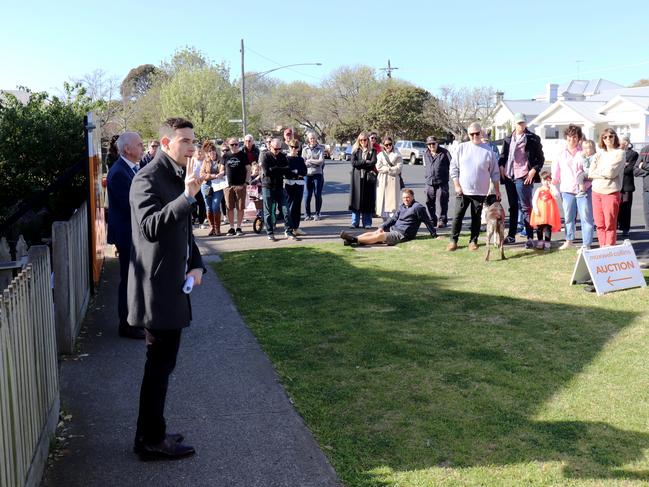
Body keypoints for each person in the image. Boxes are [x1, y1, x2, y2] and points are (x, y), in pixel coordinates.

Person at [129, 117, 205, 460]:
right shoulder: (147, 178)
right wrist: (187, 196)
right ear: (165, 143)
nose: (192, 147)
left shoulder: (176, 175)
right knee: (158, 367)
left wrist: (196, 263)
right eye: (185, 141)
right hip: (156, 290)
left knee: (163, 366)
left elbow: (184, 232)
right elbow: (150, 228)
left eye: (193, 141)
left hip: (175, 285)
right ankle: (149, 441)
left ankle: (153, 432)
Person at [106, 131, 145, 340]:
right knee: (129, 281)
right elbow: (132, 205)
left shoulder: (130, 168)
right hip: (127, 235)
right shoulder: (120, 172)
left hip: (131, 234)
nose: (142, 147)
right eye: (139, 145)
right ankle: (127, 325)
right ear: (127, 149)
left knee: (134, 280)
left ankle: (134, 321)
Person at [447, 122, 501, 251]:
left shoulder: (488, 150)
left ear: (481, 133)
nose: (475, 136)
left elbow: (494, 172)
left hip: (480, 191)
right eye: (472, 134)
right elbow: (453, 168)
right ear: (468, 134)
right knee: (458, 216)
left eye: (477, 133)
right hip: (463, 190)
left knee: (476, 217)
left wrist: (497, 190)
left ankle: (473, 241)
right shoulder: (461, 148)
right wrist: (457, 185)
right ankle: (453, 241)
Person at [498, 112, 545, 248]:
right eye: (519, 123)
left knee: (526, 208)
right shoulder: (508, 139)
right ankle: (511, 236)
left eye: (523, 123)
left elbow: (540, 159)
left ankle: (530, 237)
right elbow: (503, 156)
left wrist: (534, 170)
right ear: (515, 123)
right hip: (509, 176)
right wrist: (501, 165)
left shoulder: (532, 138)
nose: (521, 125)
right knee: (513, 207)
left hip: (524, 176)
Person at [340, 188, 436, 246]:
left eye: (408, 197)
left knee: (379, 236)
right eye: (404, 197)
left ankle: (353, 240)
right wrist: (382, 226)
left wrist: (434, 235)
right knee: (376, 232)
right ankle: (352, 239)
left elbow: (427, 221)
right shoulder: (402, 206)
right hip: (394, 230)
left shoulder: (418, 208)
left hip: (403, 235)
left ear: (412, 197)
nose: (406, 199)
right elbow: (393, 219)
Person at [551, 125, 594, 250]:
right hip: (567, 190)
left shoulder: (584, 152)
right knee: (569, 217)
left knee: (586, 217)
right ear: (566, 138)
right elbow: (556, 172)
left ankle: (587, 243)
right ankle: (569, 240)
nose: (572, 140)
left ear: (579, 138)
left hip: (584, 189)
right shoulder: (560, 154)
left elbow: (591, 167)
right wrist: (553, 182)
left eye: (574, 137)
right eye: (569, 137)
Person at [589, 128, 625, 247]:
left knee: (610, 224)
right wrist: (603, 172)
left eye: (611, 136)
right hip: (596, 192)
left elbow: (612, 173)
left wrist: (598, 172)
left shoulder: (620, 153)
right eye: (605, 137)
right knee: (599, 224)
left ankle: (609, 248)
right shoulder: (598, 154)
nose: (608, 139)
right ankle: (602, 247)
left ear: (615, 137)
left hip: (611, 193)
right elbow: (590, 173)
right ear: (602, 139)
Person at [259, 138, 297, 241]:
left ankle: (288, 231)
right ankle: (270, 233)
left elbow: (287, 171)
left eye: (279, 148)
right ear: (270, 147)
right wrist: (280, 169)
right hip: (267, 186)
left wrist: (275, 169)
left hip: (279, 186)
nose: (277, 151)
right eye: (275, 149)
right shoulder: (264, 155)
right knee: (268, 212)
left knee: (286, 210)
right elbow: (267, 172)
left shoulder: (282, 156)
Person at [222, 137, 251, 236]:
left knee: (240, 208)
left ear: (239, 144)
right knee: (229, 208)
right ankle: (231, 228)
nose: (234, 146)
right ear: (228, 145)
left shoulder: (243, 155)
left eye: (236, 144)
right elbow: (221, 170)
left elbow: (248, 169)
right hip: (228, 186)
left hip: (240, 185)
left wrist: (246, 182)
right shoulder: (225, 156)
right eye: (232, 145)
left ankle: (239, 227)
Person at [349, 132, 377, 228]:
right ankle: (354, 222)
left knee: (367, 200)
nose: (363, 142)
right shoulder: (355, 150)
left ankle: (367, 223)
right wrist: (365, 161)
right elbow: (354, 163)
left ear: (367, 140)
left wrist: (361, 164)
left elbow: (373, 163)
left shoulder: (372, 150)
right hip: (357, 178)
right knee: (356, 200)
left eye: (365, 139)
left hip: (368, 179)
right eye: (361, 140)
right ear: (358, 141)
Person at [423, 135, 451, 228]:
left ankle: (442, 221)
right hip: (429, 182)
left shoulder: (444, 152)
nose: (431, 146)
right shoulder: (426, 153)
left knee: (442, 202)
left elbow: (452, 165)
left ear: (437, 143)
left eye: (433, 143)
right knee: (429, 202)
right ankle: (432, 220)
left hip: (442, 182)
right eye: (429, 144)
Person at [530, 170, 561, 250]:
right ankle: (540, 241)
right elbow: (534, 200)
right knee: (539, 227)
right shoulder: (539, 189)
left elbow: (557, 196)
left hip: (549, 211)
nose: (546, 182)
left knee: (548, 227)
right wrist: (536, 208)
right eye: (544, 180)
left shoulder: (551, 189)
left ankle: (547, 242)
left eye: (548, 180)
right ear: (541, 180)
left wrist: (553, 187)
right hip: (540, 211)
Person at [200, 140, 225, 236]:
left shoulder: (221, 159)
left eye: (213, 150)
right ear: (207, 153)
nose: (212, 153)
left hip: (218, 186)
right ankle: (212, 228)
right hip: (206, 185)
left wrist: (221, 173)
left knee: (215, 206)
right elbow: (202, 174)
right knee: (208, 207)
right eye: (210, 151)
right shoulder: (205, 161)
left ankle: (217, 229)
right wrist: (214, 176)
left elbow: (222, 171)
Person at [375, 136, 403, 220]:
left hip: (393, 180)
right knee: (382, 202)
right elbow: (378, 167)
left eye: (390, 144)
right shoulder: (380, 155)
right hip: (382, 180)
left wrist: (386, 169)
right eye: (386, 145)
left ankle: (392, 223)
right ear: (383, 145)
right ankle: (384, 222)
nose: (388, 146)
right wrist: (389, 169)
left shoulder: (397, 154)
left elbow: (398, 168)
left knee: (392, 203)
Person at [302, 131, 326, 221]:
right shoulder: (305, 149)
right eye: (310, 138)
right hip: (307, 175)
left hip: (318, 175)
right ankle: (307, 214)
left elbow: (321, 161)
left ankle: (317, 213)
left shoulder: (320, 149)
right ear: (308, 139)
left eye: (314, 138)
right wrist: (313, 162)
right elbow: (303, 162)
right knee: (307, 195)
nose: (312, 140)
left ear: (316, 139)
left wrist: (310, 160)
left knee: (317, 194)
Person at [286, 141, 307, 236]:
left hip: (299, 184)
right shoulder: (286, 158)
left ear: (298, 148)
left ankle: (296, 227)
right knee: (290, 207)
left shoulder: (300, 159)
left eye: (296, 147)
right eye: (292, 147)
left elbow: (304, 172)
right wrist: (295, 173)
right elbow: (287, 172)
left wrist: (296, 173)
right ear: (289, 147)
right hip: (289, 184)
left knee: (297, 206)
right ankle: (288, 229)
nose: (294, 149)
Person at [619, 135, 638, 238]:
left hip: (627, 186)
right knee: (616, 208)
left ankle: (625, 229)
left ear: (626, 142)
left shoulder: (633, 154)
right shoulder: (616, 153)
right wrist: (623, 165)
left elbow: (629, 169)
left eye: (620, 141)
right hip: (616, 185)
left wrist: (620, 167)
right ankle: (618, 226)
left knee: (626, 208)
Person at [634, 142, 649, 230]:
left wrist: (643, 166)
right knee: (647, 214)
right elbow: (635, 170)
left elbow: (640, 166)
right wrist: (646, 172)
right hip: (647, 189)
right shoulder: (644, 150)